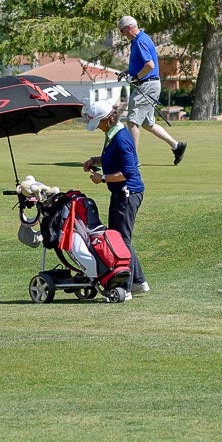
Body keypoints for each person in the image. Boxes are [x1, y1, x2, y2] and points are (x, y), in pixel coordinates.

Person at [82, 100, 149, 299]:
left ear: (106, 120)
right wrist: (95, 160)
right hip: (120, 193)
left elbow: (127, 173)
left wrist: (102, 178)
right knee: (119, 237)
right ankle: (138, 282)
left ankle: (125, 289)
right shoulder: (112, 134)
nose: (97, 127)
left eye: (98, 123)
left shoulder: (121, 138)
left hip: (128, 193)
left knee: (120, 241)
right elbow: (113, 159)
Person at [116, 15, 187, 165]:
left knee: (132, 121)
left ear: (129, 28)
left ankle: (132, 160)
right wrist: (128, 72)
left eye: (122, 31)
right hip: (150, 84)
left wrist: (135, 77)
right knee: (148, 123)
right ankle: (176, 146)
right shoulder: (141, 39)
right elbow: (142, 64)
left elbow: (149, 65)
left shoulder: (140, 41)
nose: (123, 35)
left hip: (147, 84)